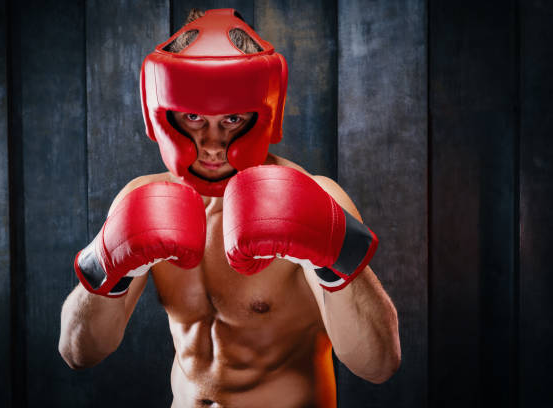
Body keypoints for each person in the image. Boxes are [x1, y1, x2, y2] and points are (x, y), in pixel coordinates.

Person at [59, 8, 400, 407]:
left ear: (264, 115)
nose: (213, 143)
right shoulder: (143, 200)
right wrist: (106, 261)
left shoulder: (315, 198)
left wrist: (334, 250)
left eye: (232, 119)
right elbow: (77, 352)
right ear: (164, 115)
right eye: (194, 118)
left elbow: (379, 365)